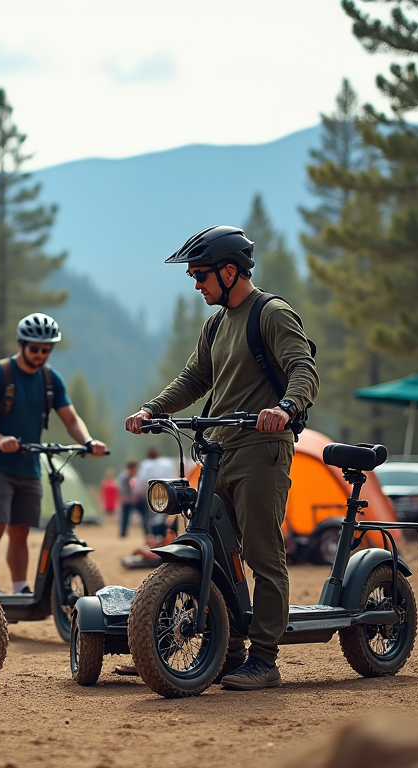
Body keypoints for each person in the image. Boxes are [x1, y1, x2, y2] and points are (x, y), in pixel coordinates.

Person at [125, 225, 319, 691]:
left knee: (261, 554)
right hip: (217, 452)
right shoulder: (215, 323)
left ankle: (265, 660)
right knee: (217, 553)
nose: (196, 284)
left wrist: (285, 408)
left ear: (229, 271)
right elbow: (196, 378)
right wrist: (154, 408)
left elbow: (302, 368)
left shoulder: (271, 313)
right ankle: (226, 652)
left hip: (261, 449)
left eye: (200, 275)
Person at [0, 313, 107, 595]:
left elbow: (70, 418)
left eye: (46, 350)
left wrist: (88, 440)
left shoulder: (50, 380)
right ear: (21, 344)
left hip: (29, 466)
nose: (41, 355)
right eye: (35, 349)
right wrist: (0, 439)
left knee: (20, 530)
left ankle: (20, 588)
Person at [135, 447, 178, 541]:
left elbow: (140, 481)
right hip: (169, 494)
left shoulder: (145, 465)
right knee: (168, 517)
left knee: (152, 518)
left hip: (152, 495)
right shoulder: (167, 463)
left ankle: (153, 539)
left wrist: (139, 493)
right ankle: (169, 537)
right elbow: (174, 477)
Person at [117, 459, 147, 538]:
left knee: (144, 510)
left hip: (137, 499)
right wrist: (129, 498)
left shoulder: (138, 476)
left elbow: (140, 489)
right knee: (125, 511)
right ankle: (123, 532)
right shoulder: (123, 477)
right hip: (127, 500)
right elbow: (122, 491)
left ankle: (147, 530)